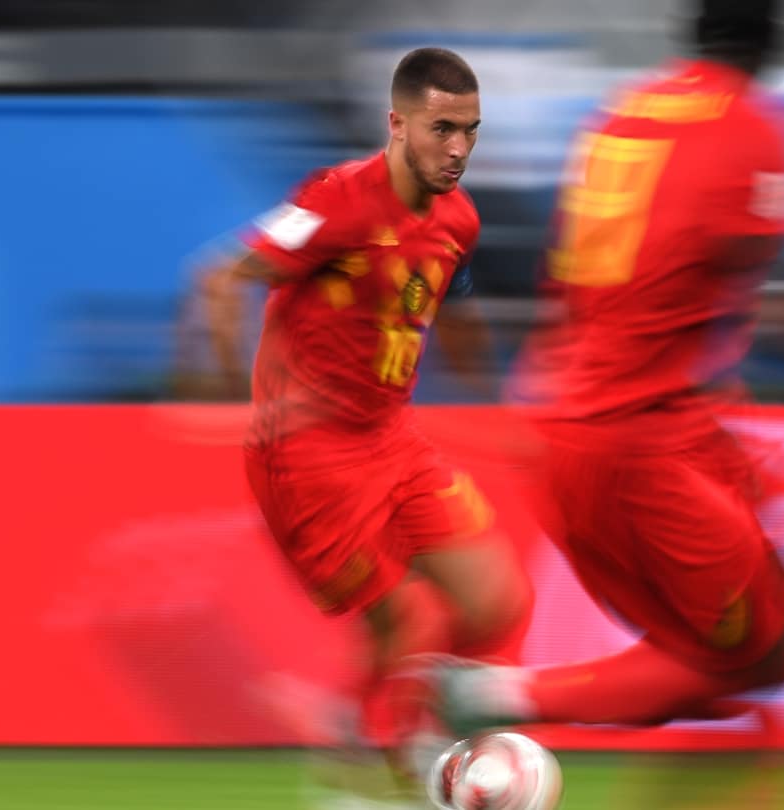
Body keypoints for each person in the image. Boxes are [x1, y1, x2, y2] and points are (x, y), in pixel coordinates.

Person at [421, 0, 784, 736]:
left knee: (768, 650)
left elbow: (622, 274)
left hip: (587, 420)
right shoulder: (757, 127)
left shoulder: (621, 113)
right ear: (782, 37)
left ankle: (491, 703)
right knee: (752, 652)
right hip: (634, 442)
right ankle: (486, 700)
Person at [189, 46, 531, 781]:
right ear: (398, 124)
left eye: (471, 130)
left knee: (496, 599)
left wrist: (487, 394)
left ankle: (390, 739)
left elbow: (453, 302)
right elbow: (223, 276)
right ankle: (366, 767)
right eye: (442, 128)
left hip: (391, 439)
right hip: (307, 454)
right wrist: (225, 391)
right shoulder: (335, 199)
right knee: (408, 622)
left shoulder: (458, 219)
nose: (459, 148)